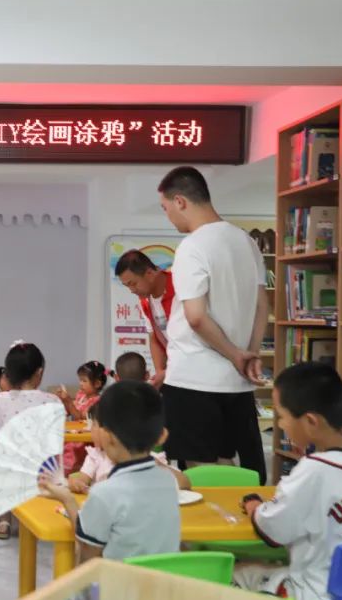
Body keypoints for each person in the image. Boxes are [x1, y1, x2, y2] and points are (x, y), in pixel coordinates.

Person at [235, 362, 342, 600]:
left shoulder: (313, 470)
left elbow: (273, 531)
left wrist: (253, 506)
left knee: (238, 571)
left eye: (282, 416)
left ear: (310, 421)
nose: (280, 424)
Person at [157, 166, 270, 484]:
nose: (169, 217)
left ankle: (211, 521)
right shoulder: (246, 241)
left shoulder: (193, 246)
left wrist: (235, 354)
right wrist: (249, 353)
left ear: (180, 201)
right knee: (233, 470)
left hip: (193, 378)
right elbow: (262, 305)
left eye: (165, 208)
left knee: (201, 474)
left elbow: (195, 316)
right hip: (236, 382)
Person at [40, 381, 181, 562]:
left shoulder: (104, 492)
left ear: (107, 436)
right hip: (162, 579)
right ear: (162, 435)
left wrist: (67, 500)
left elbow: (88, 553)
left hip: (119, 579)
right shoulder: (168, 480)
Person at [0, 342, 62, 539]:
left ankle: (3, 519)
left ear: (8, 374)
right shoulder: (53, 401)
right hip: (45, 473)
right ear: (39, 373)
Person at [67, 404, 191, 494]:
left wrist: (158, 466)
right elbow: (82, 478)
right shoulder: (96, 457)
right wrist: (76, 483)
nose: (90, 429)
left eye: (94, 424)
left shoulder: (147, 458)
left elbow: (184, 484)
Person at [115, 250, 176, 388]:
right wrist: (160, 372)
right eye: (127, 286)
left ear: (149, 273)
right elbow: (154, 338)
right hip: (174, 371)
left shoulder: (180, 287)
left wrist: (167, 372)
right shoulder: (145, 301)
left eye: (133, 283)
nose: (132, 290)